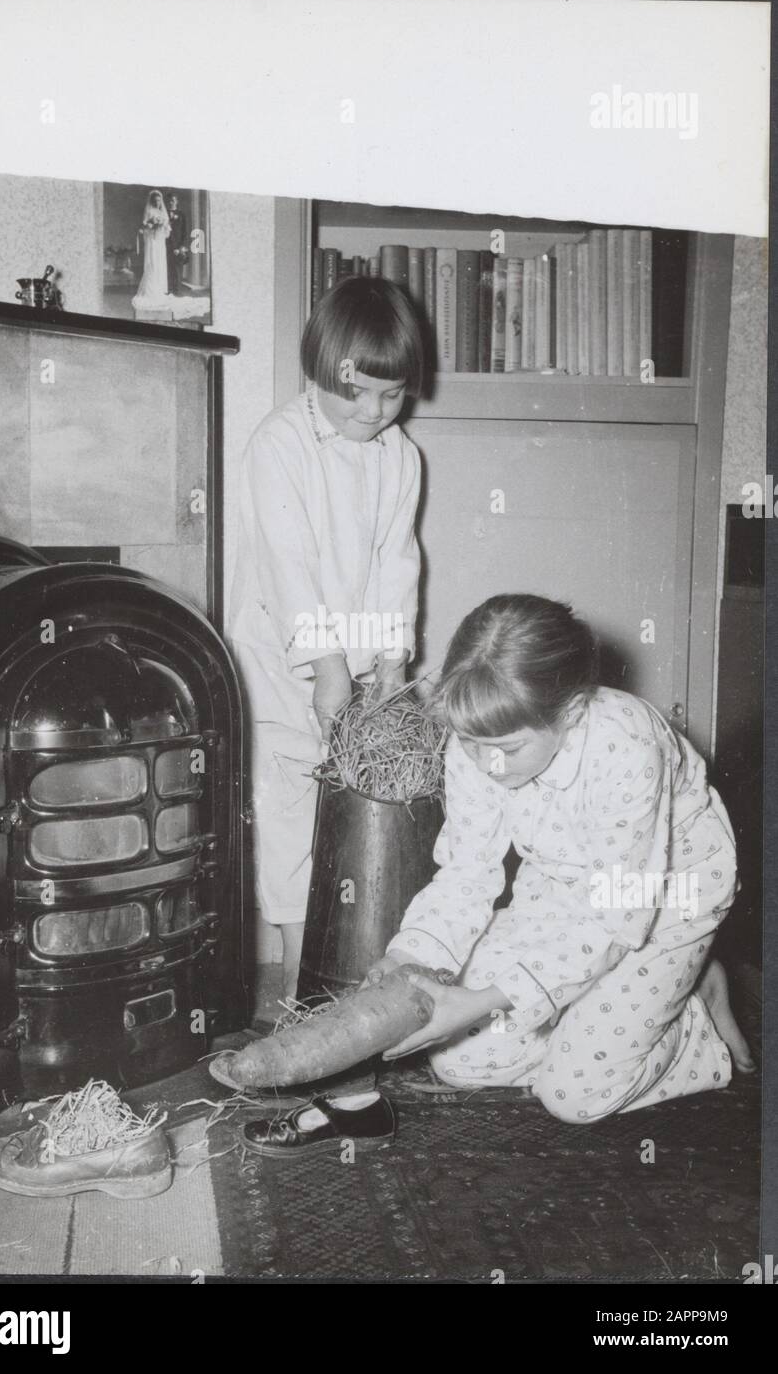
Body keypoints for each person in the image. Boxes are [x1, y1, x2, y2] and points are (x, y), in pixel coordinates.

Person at [241, 594, 753, 1156]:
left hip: (659, 903)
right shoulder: (479, 741)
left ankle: (688, 1020)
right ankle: (621, 1007)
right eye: (472, 746)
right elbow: (465, 873)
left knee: (574, 1094)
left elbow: (612, 921)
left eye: (506, 748)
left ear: (573, 713)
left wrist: (489, 998)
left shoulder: (626, 745)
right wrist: (411, 955)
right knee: (459, 1060)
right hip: (560, 887)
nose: (489, 767)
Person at [229, 276, 426, 997]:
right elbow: (290, 564)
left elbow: (394, 560)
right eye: (357, 395)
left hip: (355, 663)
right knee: (287, 813)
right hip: (281, 665)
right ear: (320, 372)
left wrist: (389, 657)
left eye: (391, 395)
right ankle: (291, 981)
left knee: (351, 815)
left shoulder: (399, 456)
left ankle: (348, 969)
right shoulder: (279, 445)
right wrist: (328, 667)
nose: (373, 413)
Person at [135, 189, 170, 299]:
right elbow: (145, 225)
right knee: (152, 262)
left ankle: (159, 288)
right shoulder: (149, 211)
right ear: (152, 201)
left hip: (160, 240)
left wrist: (162, 225)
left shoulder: (163, 212)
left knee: (160, 262)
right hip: (152, 240)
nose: (157, 203)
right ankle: (150, 289)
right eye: (155, 201)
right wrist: (151, 225)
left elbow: (167, 229)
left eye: (159, 201)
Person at [166, 193, 189, 296]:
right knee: (167, 267)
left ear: (177, 202)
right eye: (170, 200)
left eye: (173, 200)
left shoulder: (181, 214)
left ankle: (177, 290)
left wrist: (180, 246)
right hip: (166, 244)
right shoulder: (164, 213)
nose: (171, 202)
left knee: (177, 267)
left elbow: (184, 231)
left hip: (178, 244)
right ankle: (168, 289)